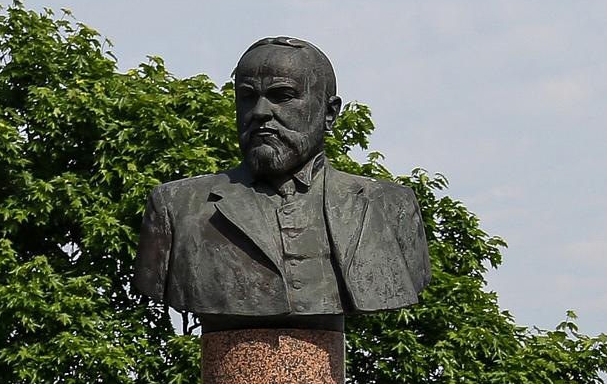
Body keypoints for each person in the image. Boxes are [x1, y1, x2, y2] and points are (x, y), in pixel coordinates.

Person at [135, 36, 431, 324]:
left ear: (329, 113)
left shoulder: (389, 207)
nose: (260, 112)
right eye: (248, 97)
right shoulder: (178, 207)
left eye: (282, 96)